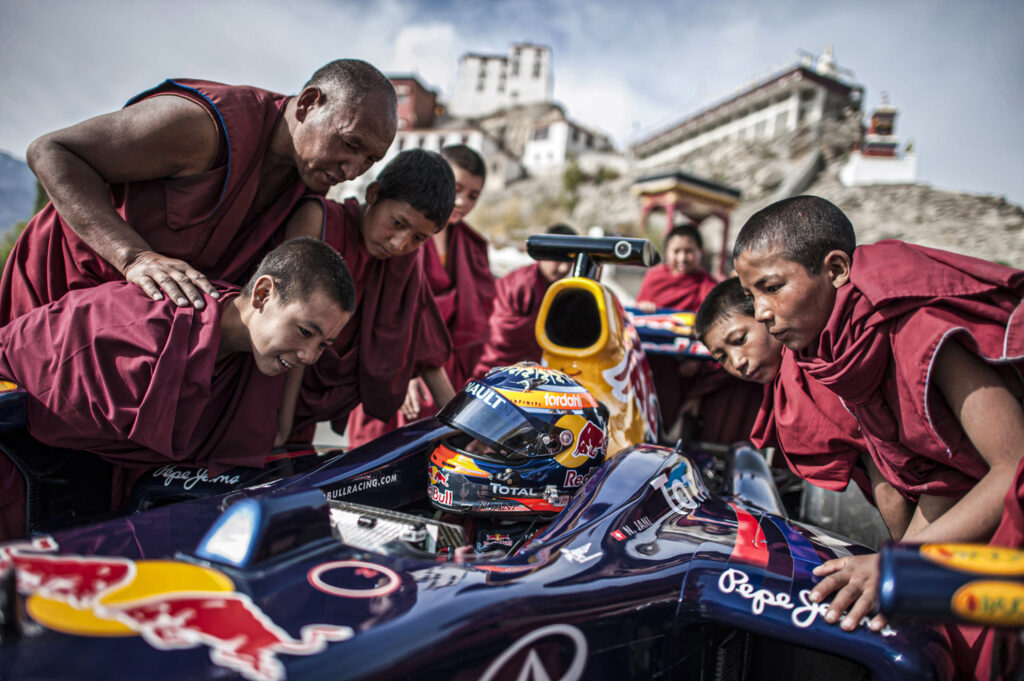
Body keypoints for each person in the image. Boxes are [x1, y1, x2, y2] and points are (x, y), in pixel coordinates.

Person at [732, 195, 1024, 679]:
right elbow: (933, 478)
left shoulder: (920, 326)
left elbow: (1013, 467)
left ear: (837, 269)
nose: (761, 313)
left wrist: (899, 564)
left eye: (772, 287)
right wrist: (894, 570)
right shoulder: (838, 351)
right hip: (964, 525)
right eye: (752, 296)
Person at [0, 237, 356, 540]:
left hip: (92, 482)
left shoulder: (251, 361)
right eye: (306, 332)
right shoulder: (144, 325)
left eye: (324, 344)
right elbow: (40, 372)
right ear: (263, 294)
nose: (309, 356)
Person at [0, 59, 396, 324]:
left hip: (133, 329)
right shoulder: (204, 127)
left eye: (369, 161)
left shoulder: (305, 183)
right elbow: (51, 150)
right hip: (54, 299)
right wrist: (134, 257)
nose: (351, 170)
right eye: (350, 144)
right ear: (309, 103)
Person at [280, 149, 456, 444]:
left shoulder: (405, 263)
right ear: (374, 193)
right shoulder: (320, 223)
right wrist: (280, 426)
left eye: (419, 238)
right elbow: (287, 330)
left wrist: (464, 431)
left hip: (301, 422)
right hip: (265, 391)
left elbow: (427, 351)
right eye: (398, 223)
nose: (400, 243)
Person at [345, 144, 496, 447]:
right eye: (456, 188)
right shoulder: (398, 239)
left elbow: (476, 320)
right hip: (393, 365)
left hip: (446, 368)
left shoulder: (472, 245)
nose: (461, 201)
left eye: (473, 195)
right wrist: (406, 370)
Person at [696, 278, 884, 510]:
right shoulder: (783, 382)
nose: (737, 362)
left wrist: (903, 543)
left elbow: (881, 459)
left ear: (766, 314)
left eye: (740, 340)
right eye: (722, 358)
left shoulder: (823, 363)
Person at [428, 362, 607, 557]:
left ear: (559, 450)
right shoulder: (456, 522)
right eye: (476, 433)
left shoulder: (563, 551)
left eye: (497, 442)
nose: (470, 448)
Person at [472, 224, 577, 377]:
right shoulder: (521, 284)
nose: (563, 268)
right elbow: (501, 331)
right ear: (543, 254)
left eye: (569, 262)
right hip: (496, 365)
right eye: (558, 260)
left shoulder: (561, 288)